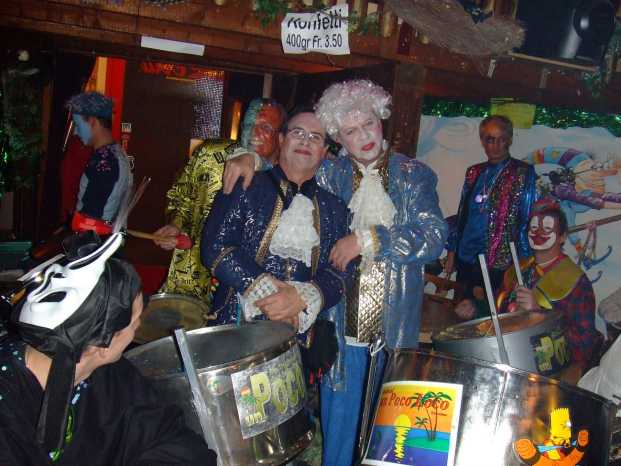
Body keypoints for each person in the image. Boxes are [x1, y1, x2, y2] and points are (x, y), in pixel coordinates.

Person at [223, 79, 447, 466]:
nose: (364, 137)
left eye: (369, 124)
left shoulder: (413, 175)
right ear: (338, 139)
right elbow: (289, 168)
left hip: (392, 329)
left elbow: (434, 236)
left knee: (390, 432)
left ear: (381, 120)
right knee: (339, 429)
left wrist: (368, 239)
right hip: (341, 325)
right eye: (350, 131)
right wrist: (249, 158)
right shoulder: (331, 174)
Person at [0, 233, 217, 465]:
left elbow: (178, 443)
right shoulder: (8, 408)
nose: (138, 327)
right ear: (103, 346)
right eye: (134, 323)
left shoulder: (112, 377)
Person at [201, 108, 352, 336]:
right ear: (281, 140)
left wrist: (304, 297)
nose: (305, 141)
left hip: (300, 337)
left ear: (324, 151)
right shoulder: (246, 185)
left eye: (315, 137)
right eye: (297, 132)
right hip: (235, 328)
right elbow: (215, 246)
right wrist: (273, 296)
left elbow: (343, 270)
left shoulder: (335, 208)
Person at [154, 98, 286, 310]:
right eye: (248, 125)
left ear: (281, 137)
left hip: (247, 299)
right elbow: (181, 196)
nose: (253, 133)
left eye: (265, 128)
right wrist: (175, 225)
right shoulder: (210, 155)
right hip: (193, 284)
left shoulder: (286, 180)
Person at [445, 115, 537, 321]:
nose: (494, 145)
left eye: (500, 139)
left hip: (500, 260)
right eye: (489, 139)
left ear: (509, 140)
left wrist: (525, 262)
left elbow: (526, 218)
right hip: (467, 255)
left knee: (491, 317)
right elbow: (463, 213)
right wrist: (452, 250)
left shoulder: (522, 172)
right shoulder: (474, 172)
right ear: (482, 140)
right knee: (462, 315)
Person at [496, 199, 603, 371]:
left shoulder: (576, 281)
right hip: (508, 360)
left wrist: (539, 313)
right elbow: (495, 318)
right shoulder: (516, 271)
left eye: (547, 228)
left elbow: (584, 345)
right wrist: (474, 306)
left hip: (548, 372)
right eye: (533, 228)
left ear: (562, 237)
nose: (538, 233)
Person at [65, 92, 132, 233]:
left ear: (92, 122)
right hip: (102, 238)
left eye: (77, 125)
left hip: (94, 240)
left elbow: (90, 217)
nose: (75, 132)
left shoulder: (105, 162)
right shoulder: (115, 153)